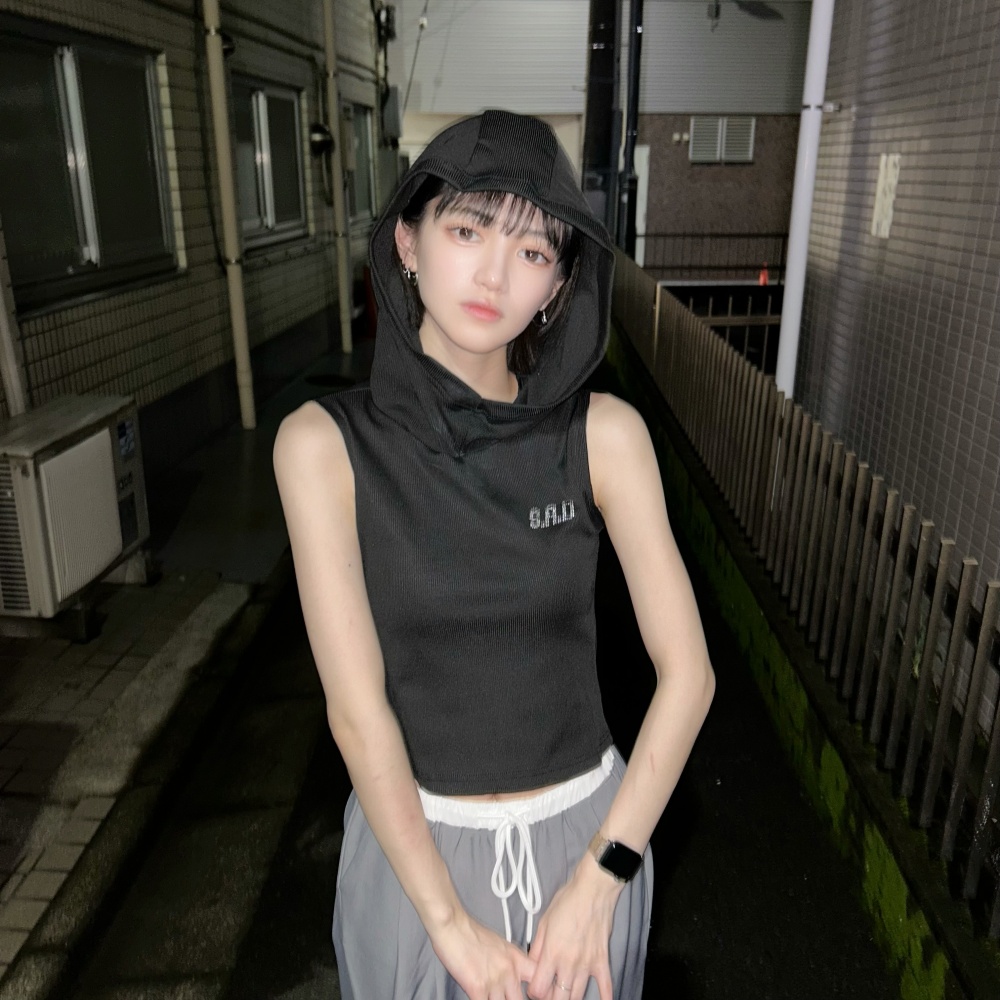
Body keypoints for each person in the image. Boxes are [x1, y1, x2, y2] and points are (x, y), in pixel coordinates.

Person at [273, 110, 715, 1000]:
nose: (494, 274)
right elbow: (357, 713)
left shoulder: (604, 435)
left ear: (558, 283)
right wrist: (448, 925)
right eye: (468, 231)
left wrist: (603, 876)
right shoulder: (322, 446)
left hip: (589, 847)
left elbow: (689, 675)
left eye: (532, 249)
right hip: (416, 861)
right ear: (408, 241)